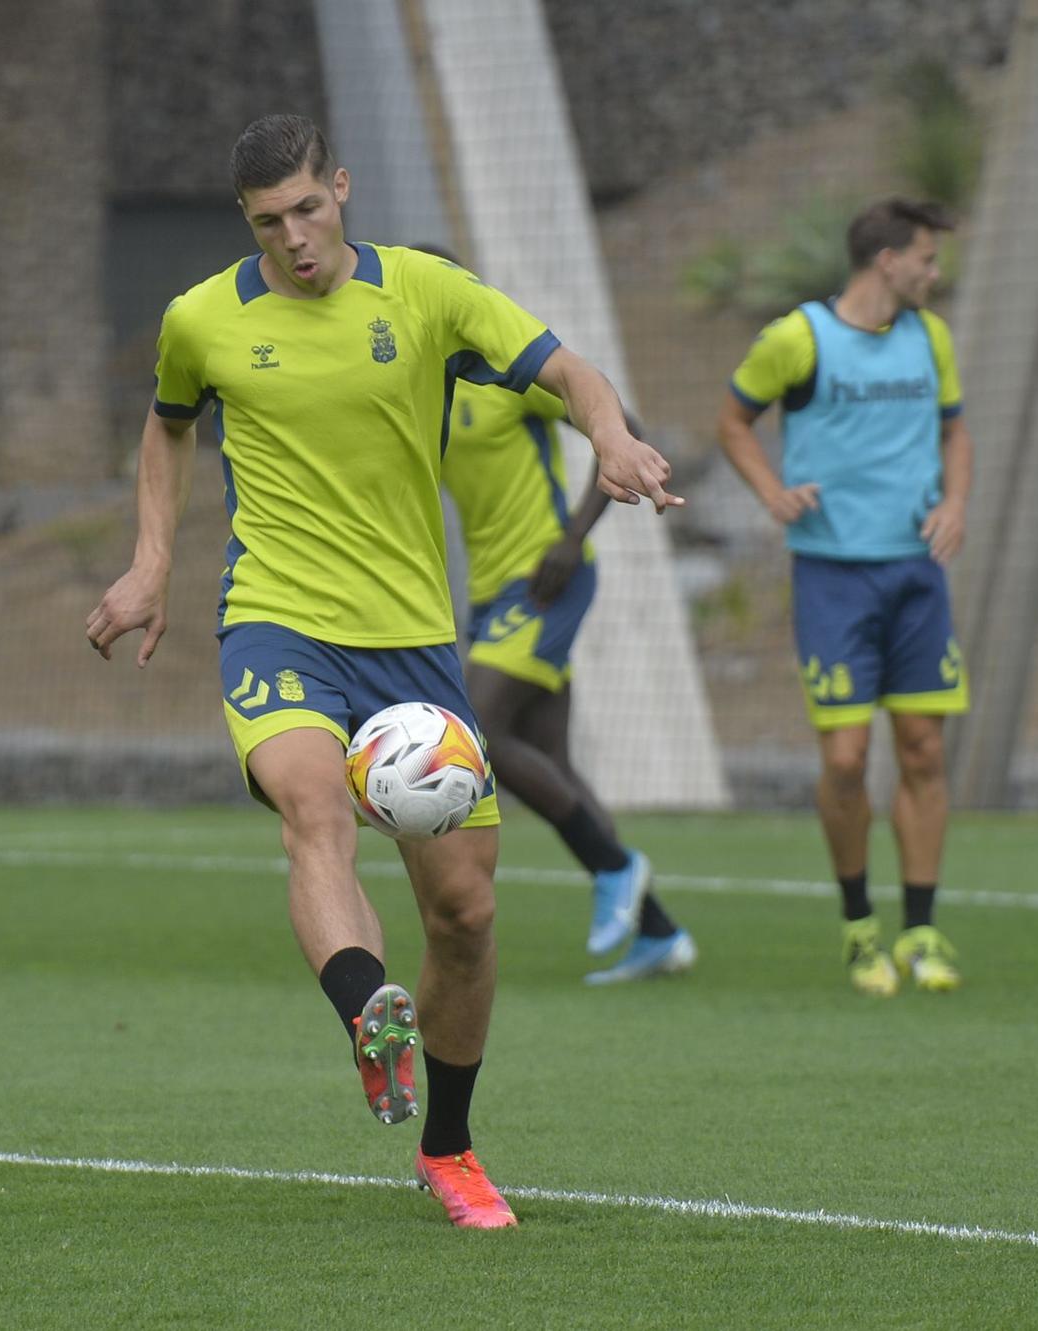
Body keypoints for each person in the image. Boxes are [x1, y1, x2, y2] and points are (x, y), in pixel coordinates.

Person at [85, 115, 680, 1230]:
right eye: (269, 222)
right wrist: (152, 564)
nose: (295, 238)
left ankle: (446, 1146)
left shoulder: (424, 292)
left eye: (308, 209)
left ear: (340, 189)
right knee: (314, 809)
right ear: (244, 223)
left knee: (462, 909)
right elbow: (166, 430)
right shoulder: (201, 319)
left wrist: (606, 436)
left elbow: (567, 366)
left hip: (411, 643)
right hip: (276, 623)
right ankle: (369, 1009)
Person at [717, 198, 971, 998]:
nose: (935, 272)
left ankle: (922, 929)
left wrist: (955, 501)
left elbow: (955, 430)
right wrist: (771, 491)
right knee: (847, 757)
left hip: (915, 573)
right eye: (926, 258)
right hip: (832, 576)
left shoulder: (932, 337)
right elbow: (732, 421)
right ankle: (861, 927)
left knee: (924, 750)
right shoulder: (800, 338)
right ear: (886, 260)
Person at [422, 245, 694, 985]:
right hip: (494, 595)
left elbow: (619, 420)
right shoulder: (422, 387)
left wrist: (575, 536)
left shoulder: (509, 371)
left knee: (476, 727)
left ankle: (617, 866)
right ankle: (658, 931)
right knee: (553, 761)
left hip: (547, 578)